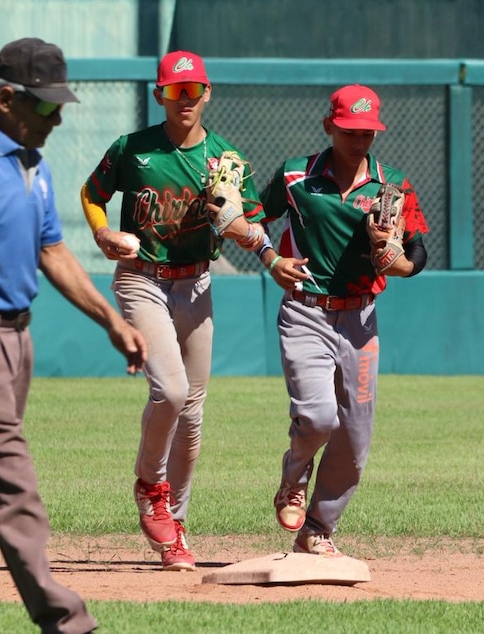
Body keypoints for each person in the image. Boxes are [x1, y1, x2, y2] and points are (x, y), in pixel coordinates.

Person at [0, 37, 147, 634]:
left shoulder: (30, 162)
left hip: (15, 343)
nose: (59, 115)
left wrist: (112, 320)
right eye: (46, 105)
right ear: (8, 97)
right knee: (12, 483)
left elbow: (53, 251)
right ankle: (68, 623)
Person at [79, 50, 264, 571]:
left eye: (193, 90)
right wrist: (102, 232)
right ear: (160, 95)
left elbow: (252, 231)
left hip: (196, 283)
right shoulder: (134, 149)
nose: (183, 100)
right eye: (172, 91)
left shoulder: (227, 160)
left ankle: (175, 527)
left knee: (194, 413)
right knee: (172, 391)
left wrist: (238, 226)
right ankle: (149, 485)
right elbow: (92, 193)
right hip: (142, 279)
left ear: (208, 94)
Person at [257, 84, 429, 557]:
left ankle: (317, 527)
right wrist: (272, 257)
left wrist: (393, 256)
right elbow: (253, 215)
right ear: (329, 126)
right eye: (351, 130)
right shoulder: (295, 176)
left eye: (369, 130)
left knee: (354, 439)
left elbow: (417, 251)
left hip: (361, 319)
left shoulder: (392, 185)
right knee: (317, 418)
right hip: (306, 310)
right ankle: (293, 477)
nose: (361, 139)